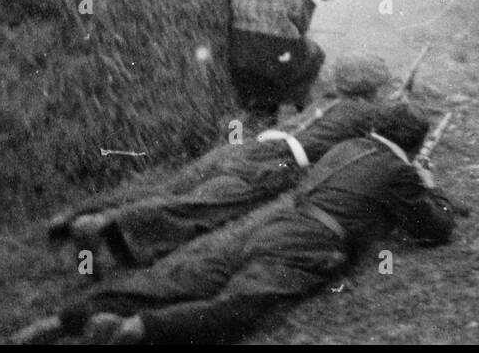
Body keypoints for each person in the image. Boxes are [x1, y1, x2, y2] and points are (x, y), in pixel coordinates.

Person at [14, 103, 454, 345]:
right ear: (411, 148)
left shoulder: (348, 147)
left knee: (174, 281)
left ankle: (61, 321)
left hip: (273, 223)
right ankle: (138, 331)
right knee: (238, 309)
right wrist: (429, 187)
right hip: (306, 242)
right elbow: (434, 230)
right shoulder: (402, 173)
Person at [46, 55, 395, 268]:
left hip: (246, 146)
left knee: (170, 188)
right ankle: (103, 223)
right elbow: (389, 130)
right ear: (370, 90)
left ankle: (77, 216)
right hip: (273, 163)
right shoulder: (366, 113)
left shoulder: (326, 98)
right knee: (200, 206)